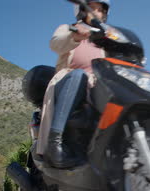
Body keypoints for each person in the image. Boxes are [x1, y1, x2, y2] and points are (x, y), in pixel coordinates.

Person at [37, 0, 110, 168]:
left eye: (100, 10)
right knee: (79, 75)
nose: (96, 12)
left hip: (95, 87)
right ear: (82, 10)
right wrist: (75, 35)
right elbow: (55, 43)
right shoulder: (68, 28)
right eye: (92, 8)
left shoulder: (105, 38)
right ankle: (55, 144)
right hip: (69, 80)